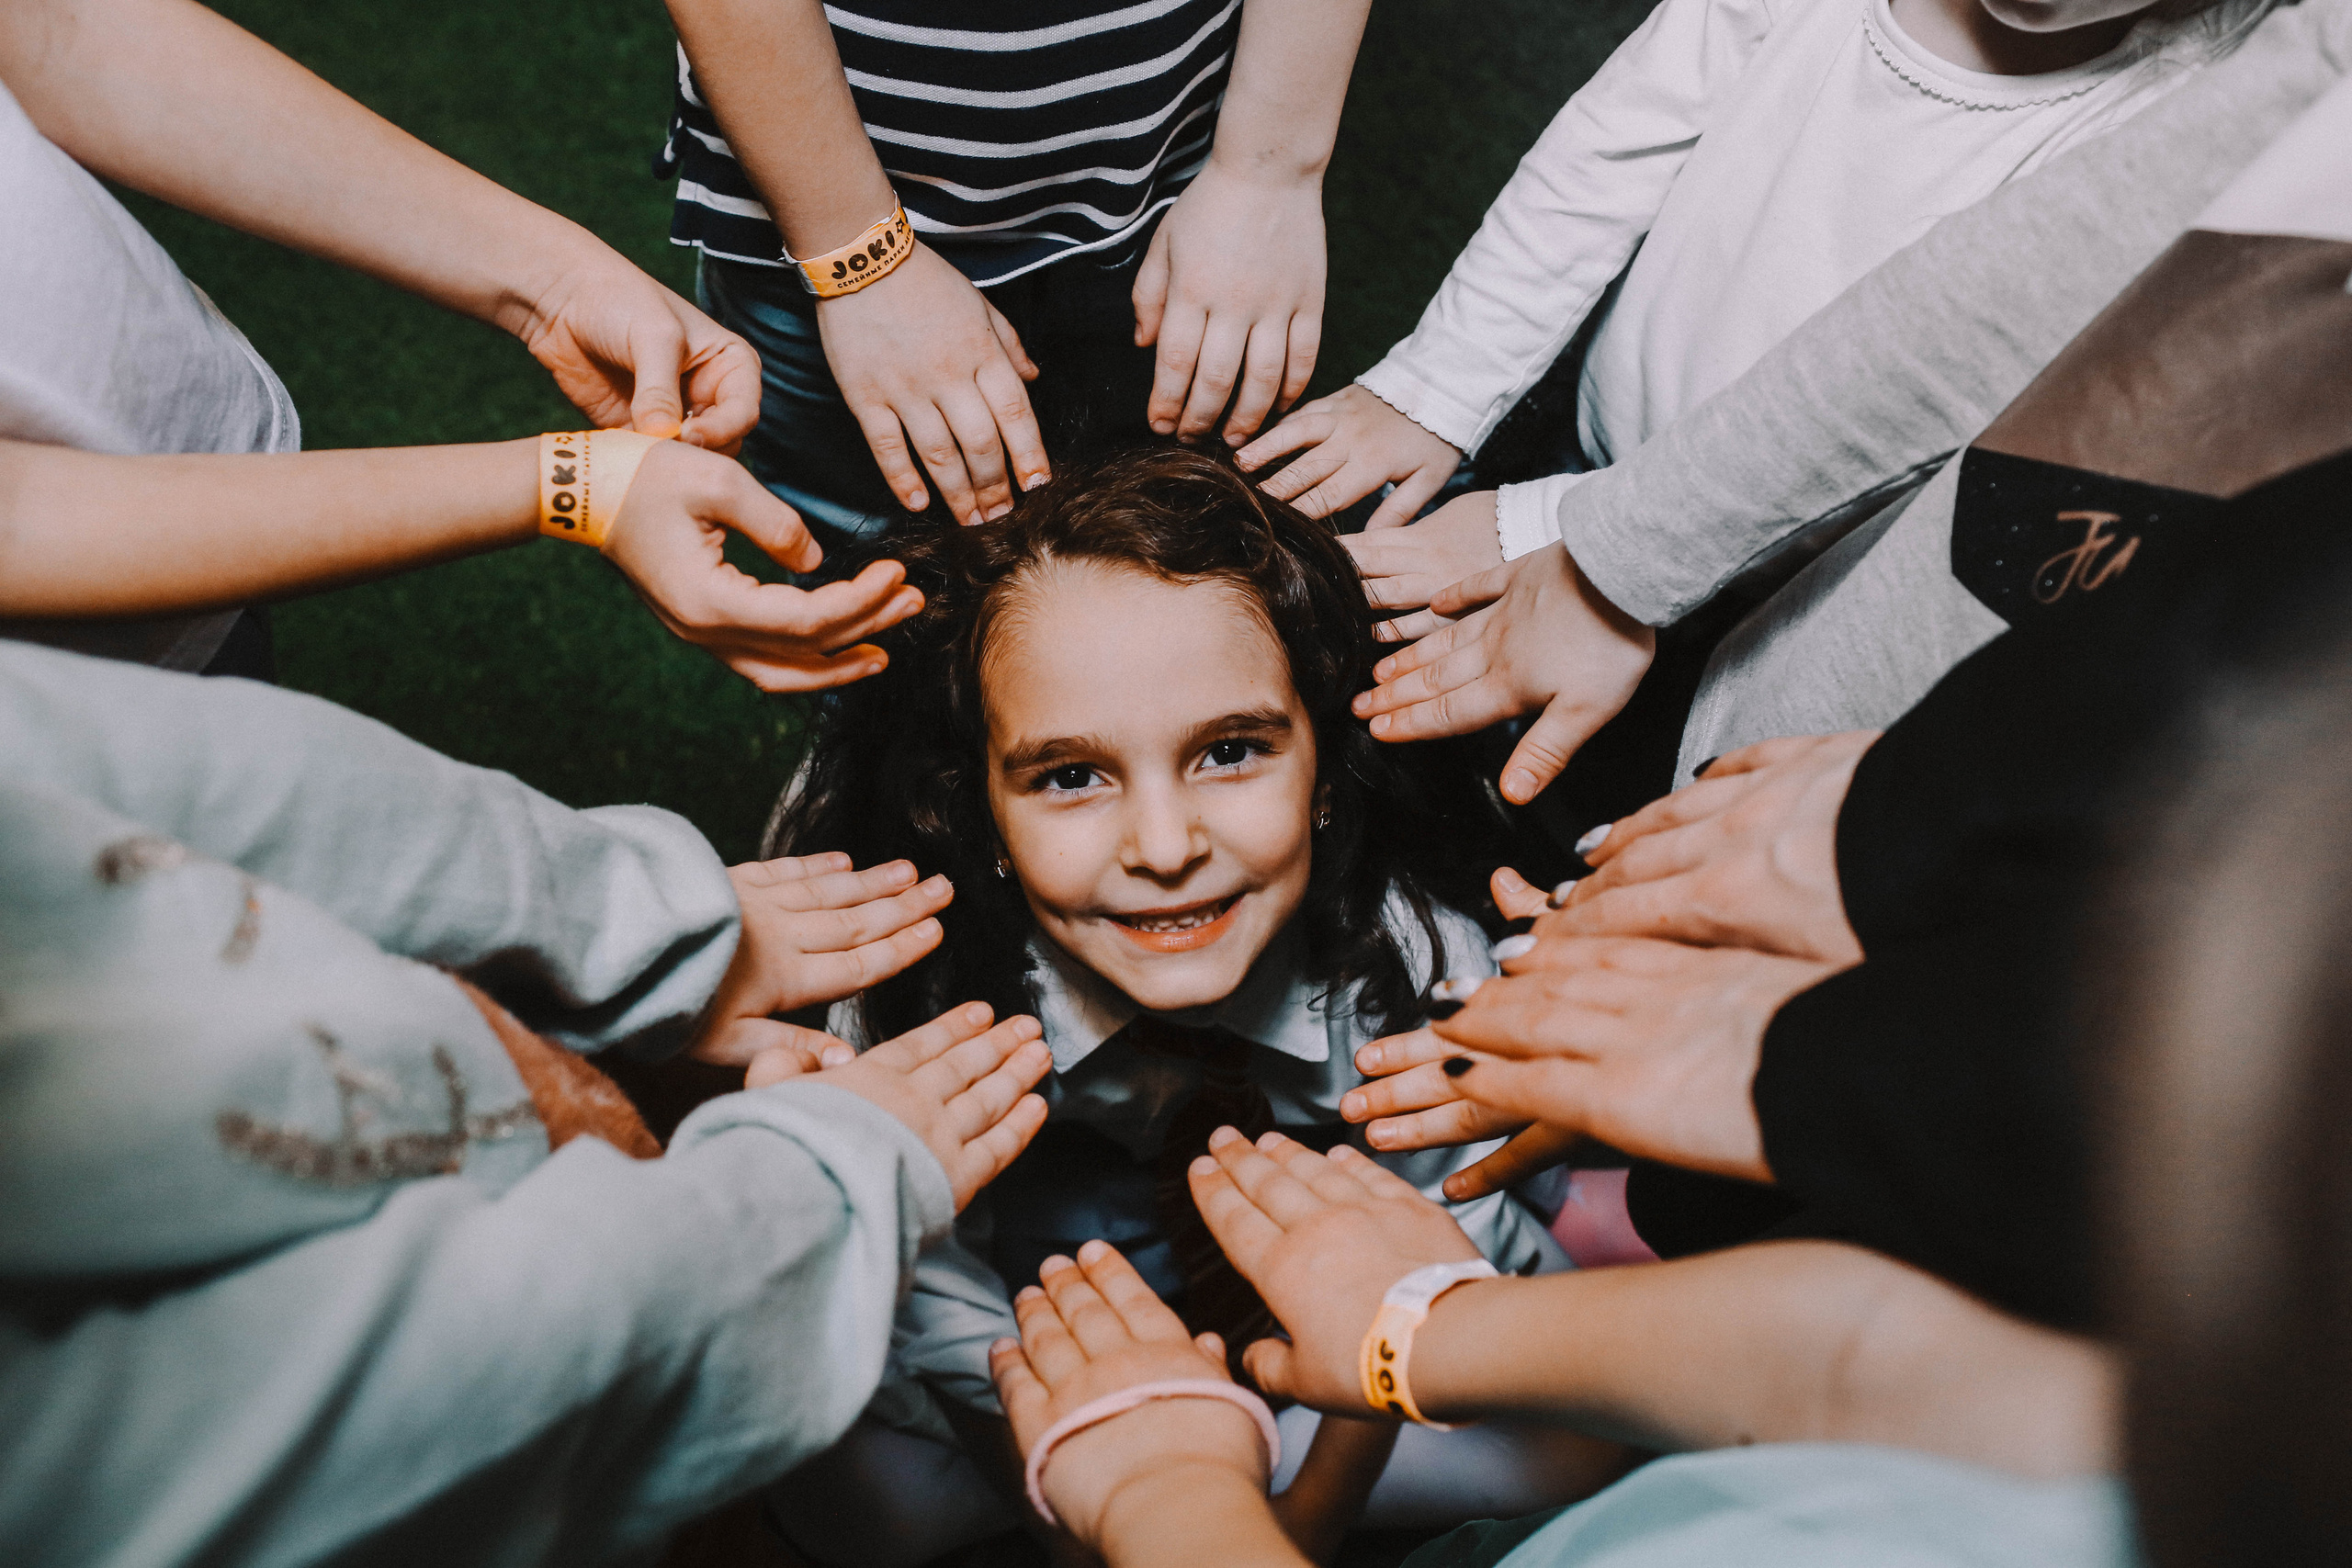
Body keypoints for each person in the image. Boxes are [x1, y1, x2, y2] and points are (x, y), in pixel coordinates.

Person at [0, 635, 1057, 1564]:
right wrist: (822, 1194)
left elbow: (198, 768)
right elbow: (435, 1417)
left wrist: (626, 926)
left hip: (575, 1161)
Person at [756, 446, 1599, 1563]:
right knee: (855, 1499)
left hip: (1316, 1295)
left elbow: (1449, 1251)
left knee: (1581, 1438)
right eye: (1070, 776)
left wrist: (1303, 1502)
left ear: (1325, 779)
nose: (1163, 849)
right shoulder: (916, 985)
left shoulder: (1407, 957)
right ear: (978, 810)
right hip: (1046, 1284)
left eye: (1230, 752)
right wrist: (1095, 1499)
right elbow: (932, 1302)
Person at [1332, 0, 2348, 811]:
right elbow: (1613, 149)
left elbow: (1902, 441)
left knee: (1577, 801)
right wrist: (1437, 389)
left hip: (1763, 587)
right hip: (1585, 450)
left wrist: (1565, 532)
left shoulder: (2187, 115)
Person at [0, 0, 917, 691]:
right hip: (69, 679)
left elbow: (51, 29)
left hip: (179, 483)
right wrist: (572, 486)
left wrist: (554, 283)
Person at [661, 0, 1369, 541]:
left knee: (1187, 530)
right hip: (807, 220)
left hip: (1177, 193)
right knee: (862, 545)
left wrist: (1266, 171)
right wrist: (857, 255)